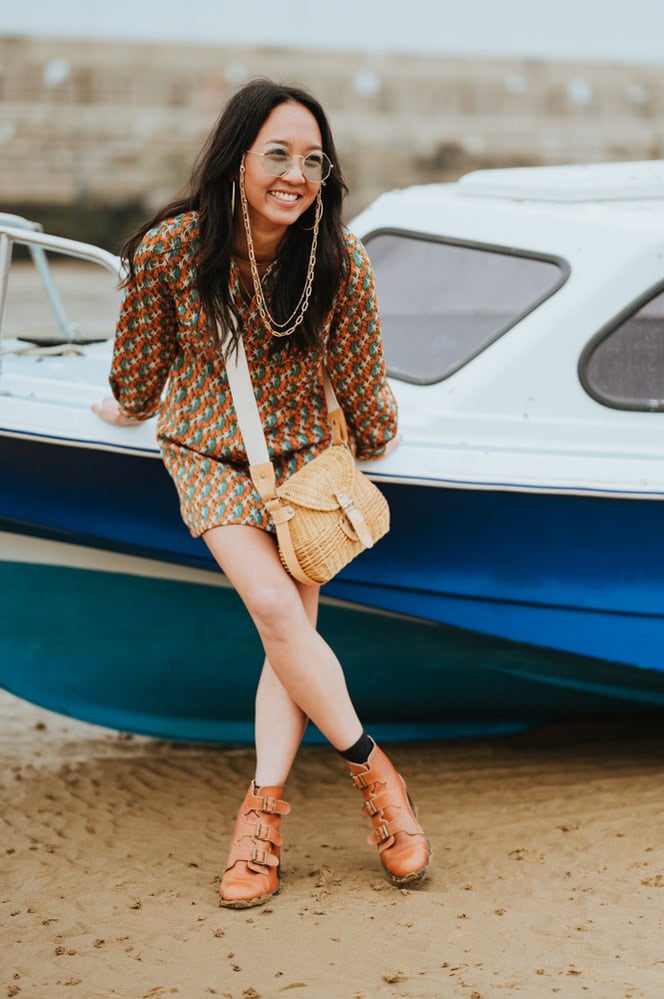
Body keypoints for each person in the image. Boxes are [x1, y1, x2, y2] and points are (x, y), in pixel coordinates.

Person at [93, 78, 430, 909]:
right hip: (208, 452)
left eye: (313, 159)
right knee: (279, 612)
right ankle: (375, 773)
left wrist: (375, 441)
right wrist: (125, 407)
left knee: (292, 632)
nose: (297, 173)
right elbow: (137, 372)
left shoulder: (338, 258)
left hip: (304, 464)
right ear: (237, 157)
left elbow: (360, 381)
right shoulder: (172, 249)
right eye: (277, 153)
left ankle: (262, 818)